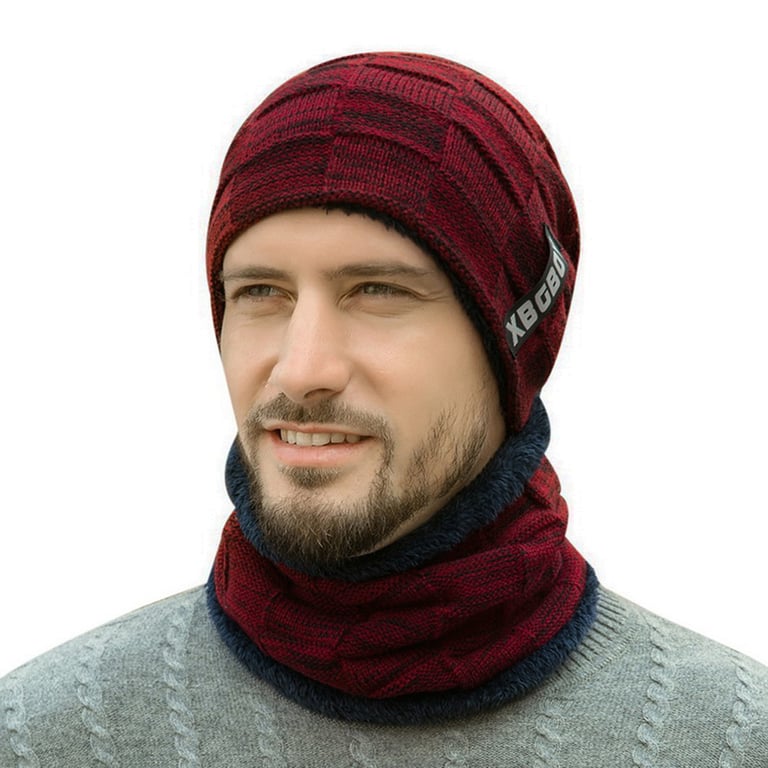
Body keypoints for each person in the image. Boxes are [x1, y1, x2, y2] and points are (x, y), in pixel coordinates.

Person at [1, 51, 765, 766]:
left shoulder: (730, 738)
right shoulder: (42, 737)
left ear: (513, 343)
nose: (302, 370)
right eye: (261, 292)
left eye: (378, 291)